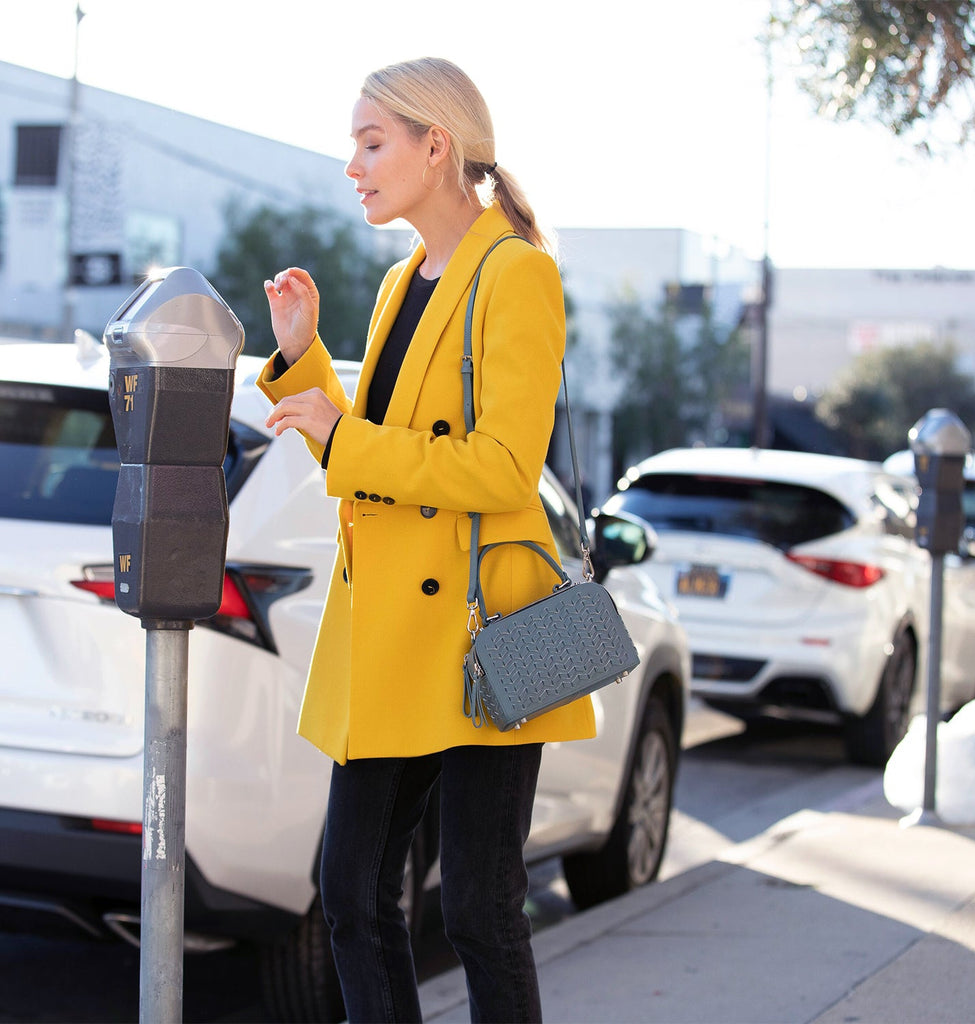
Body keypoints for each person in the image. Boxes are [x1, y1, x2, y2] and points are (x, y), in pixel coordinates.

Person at [258, 57, 596, 1023]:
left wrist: (340, 429)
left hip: (491, 634)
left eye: (372, 143)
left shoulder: (516, 274)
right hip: (398, 643)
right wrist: (299, 356)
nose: (354, 167)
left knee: (484, 910)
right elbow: (374, 451)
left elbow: (498, 467)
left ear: (434, 145)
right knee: (353, 895)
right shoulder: (403, 279)